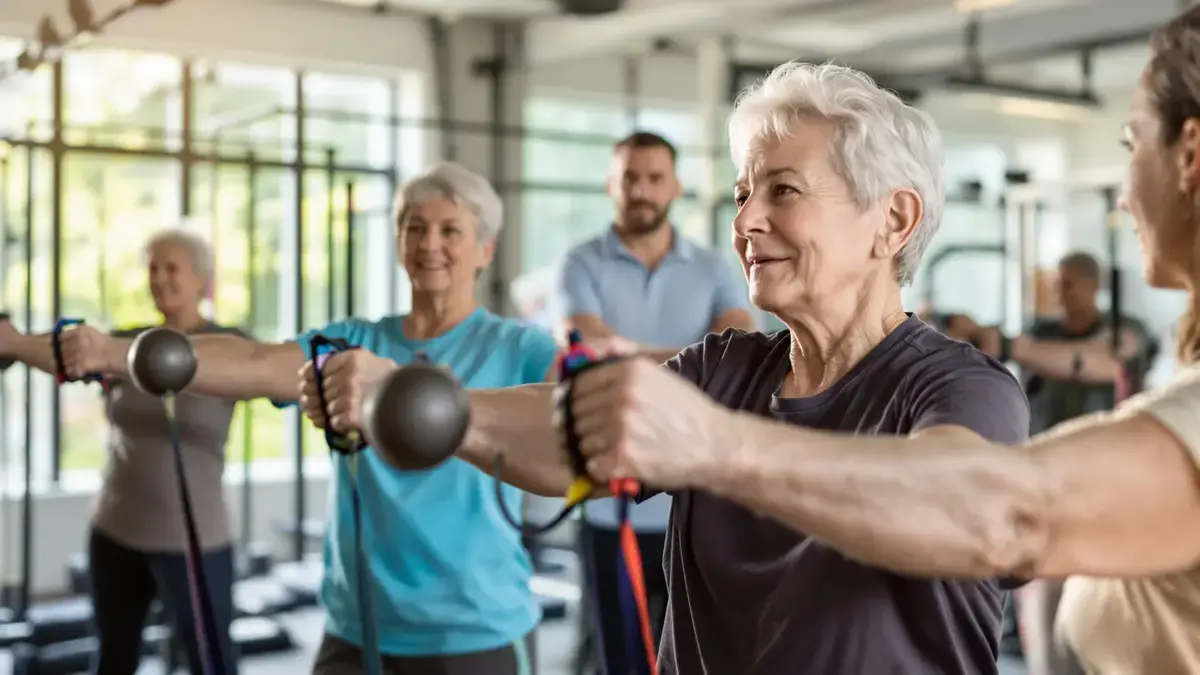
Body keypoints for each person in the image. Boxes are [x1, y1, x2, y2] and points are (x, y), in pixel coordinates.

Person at [351, 11, 1200, 674]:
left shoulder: (958, 387)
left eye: (783, 190)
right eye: (742, 192)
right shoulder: (728, 367)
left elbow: (966, 504)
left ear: (891, 219)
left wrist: (716, 447)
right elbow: (570, 425)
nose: (747, 221)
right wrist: (437, 405)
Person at [50, 162, 557, 675]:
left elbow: (570, 414)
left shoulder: (521, 348)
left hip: (474, 630)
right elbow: (253, 361)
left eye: (451, 230)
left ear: (485, 250)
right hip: (355, 630)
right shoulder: (352, 341)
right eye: (415, 228)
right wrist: (113, 352)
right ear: (399, 241)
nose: (430, 244)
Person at [555, 130, 756, 675]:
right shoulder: (580, 263)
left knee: (702, 655)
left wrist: (628, 353)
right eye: (629, 178)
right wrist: (694, 359)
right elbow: (591, 355)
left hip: (696, 502)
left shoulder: (716, 268)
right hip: (607, 501)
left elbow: (735, 355)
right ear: (610, 185)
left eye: (653, 178)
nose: (640, 190)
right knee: (613, 655)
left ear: (675, 187)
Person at [0, 229, 243, 675]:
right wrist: (14, 342)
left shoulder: (230, 345)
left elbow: (271, 371)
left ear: (201, 278)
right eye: (153, 268)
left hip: (193, 543)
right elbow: (69, 355)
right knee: (114, 657)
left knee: (211, 663)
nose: (160, 278)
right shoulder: (124, 343)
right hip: (115, 530)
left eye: (172, 268)